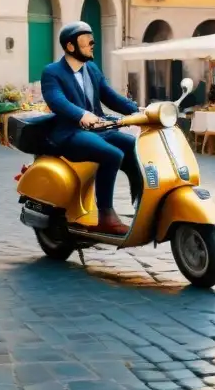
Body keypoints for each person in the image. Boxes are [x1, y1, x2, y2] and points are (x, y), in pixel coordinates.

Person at [40, 21, 141, 236]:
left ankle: (141, 202)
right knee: (112, 154)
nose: (91, 45)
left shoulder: (92, 69)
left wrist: (139, 111)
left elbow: (109, 96)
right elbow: (56, 100)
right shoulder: (52, 72)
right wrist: (81, 114)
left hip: (98, 129)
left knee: (134, 146)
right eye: (86, 42)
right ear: (70, 47)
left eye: (91, 40)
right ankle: (106, 216)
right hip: (70, 133)